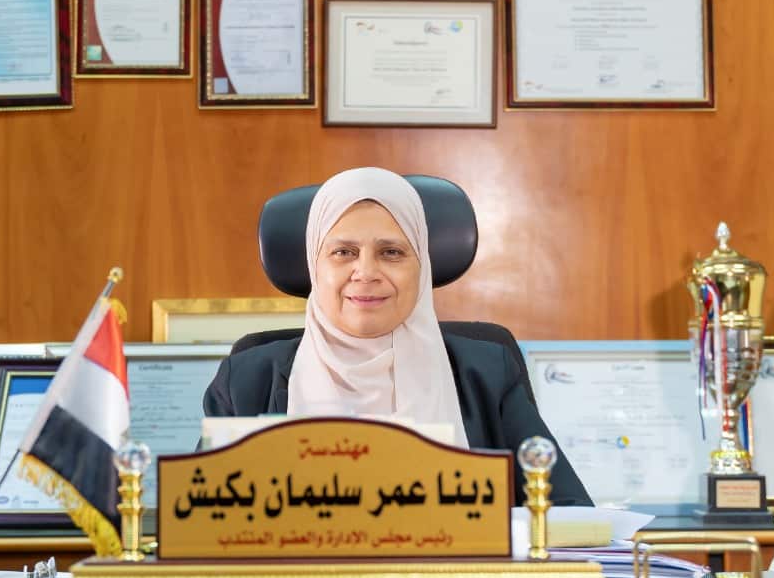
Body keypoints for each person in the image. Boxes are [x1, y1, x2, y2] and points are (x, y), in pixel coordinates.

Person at [201, 167, 591, 506]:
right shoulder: (245, 382)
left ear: (422, 266)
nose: (366, 272)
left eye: (391, 252)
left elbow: (568, 513)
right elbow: (201, 528)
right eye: (343, 252)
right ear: (313, 265)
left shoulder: (488, 374)